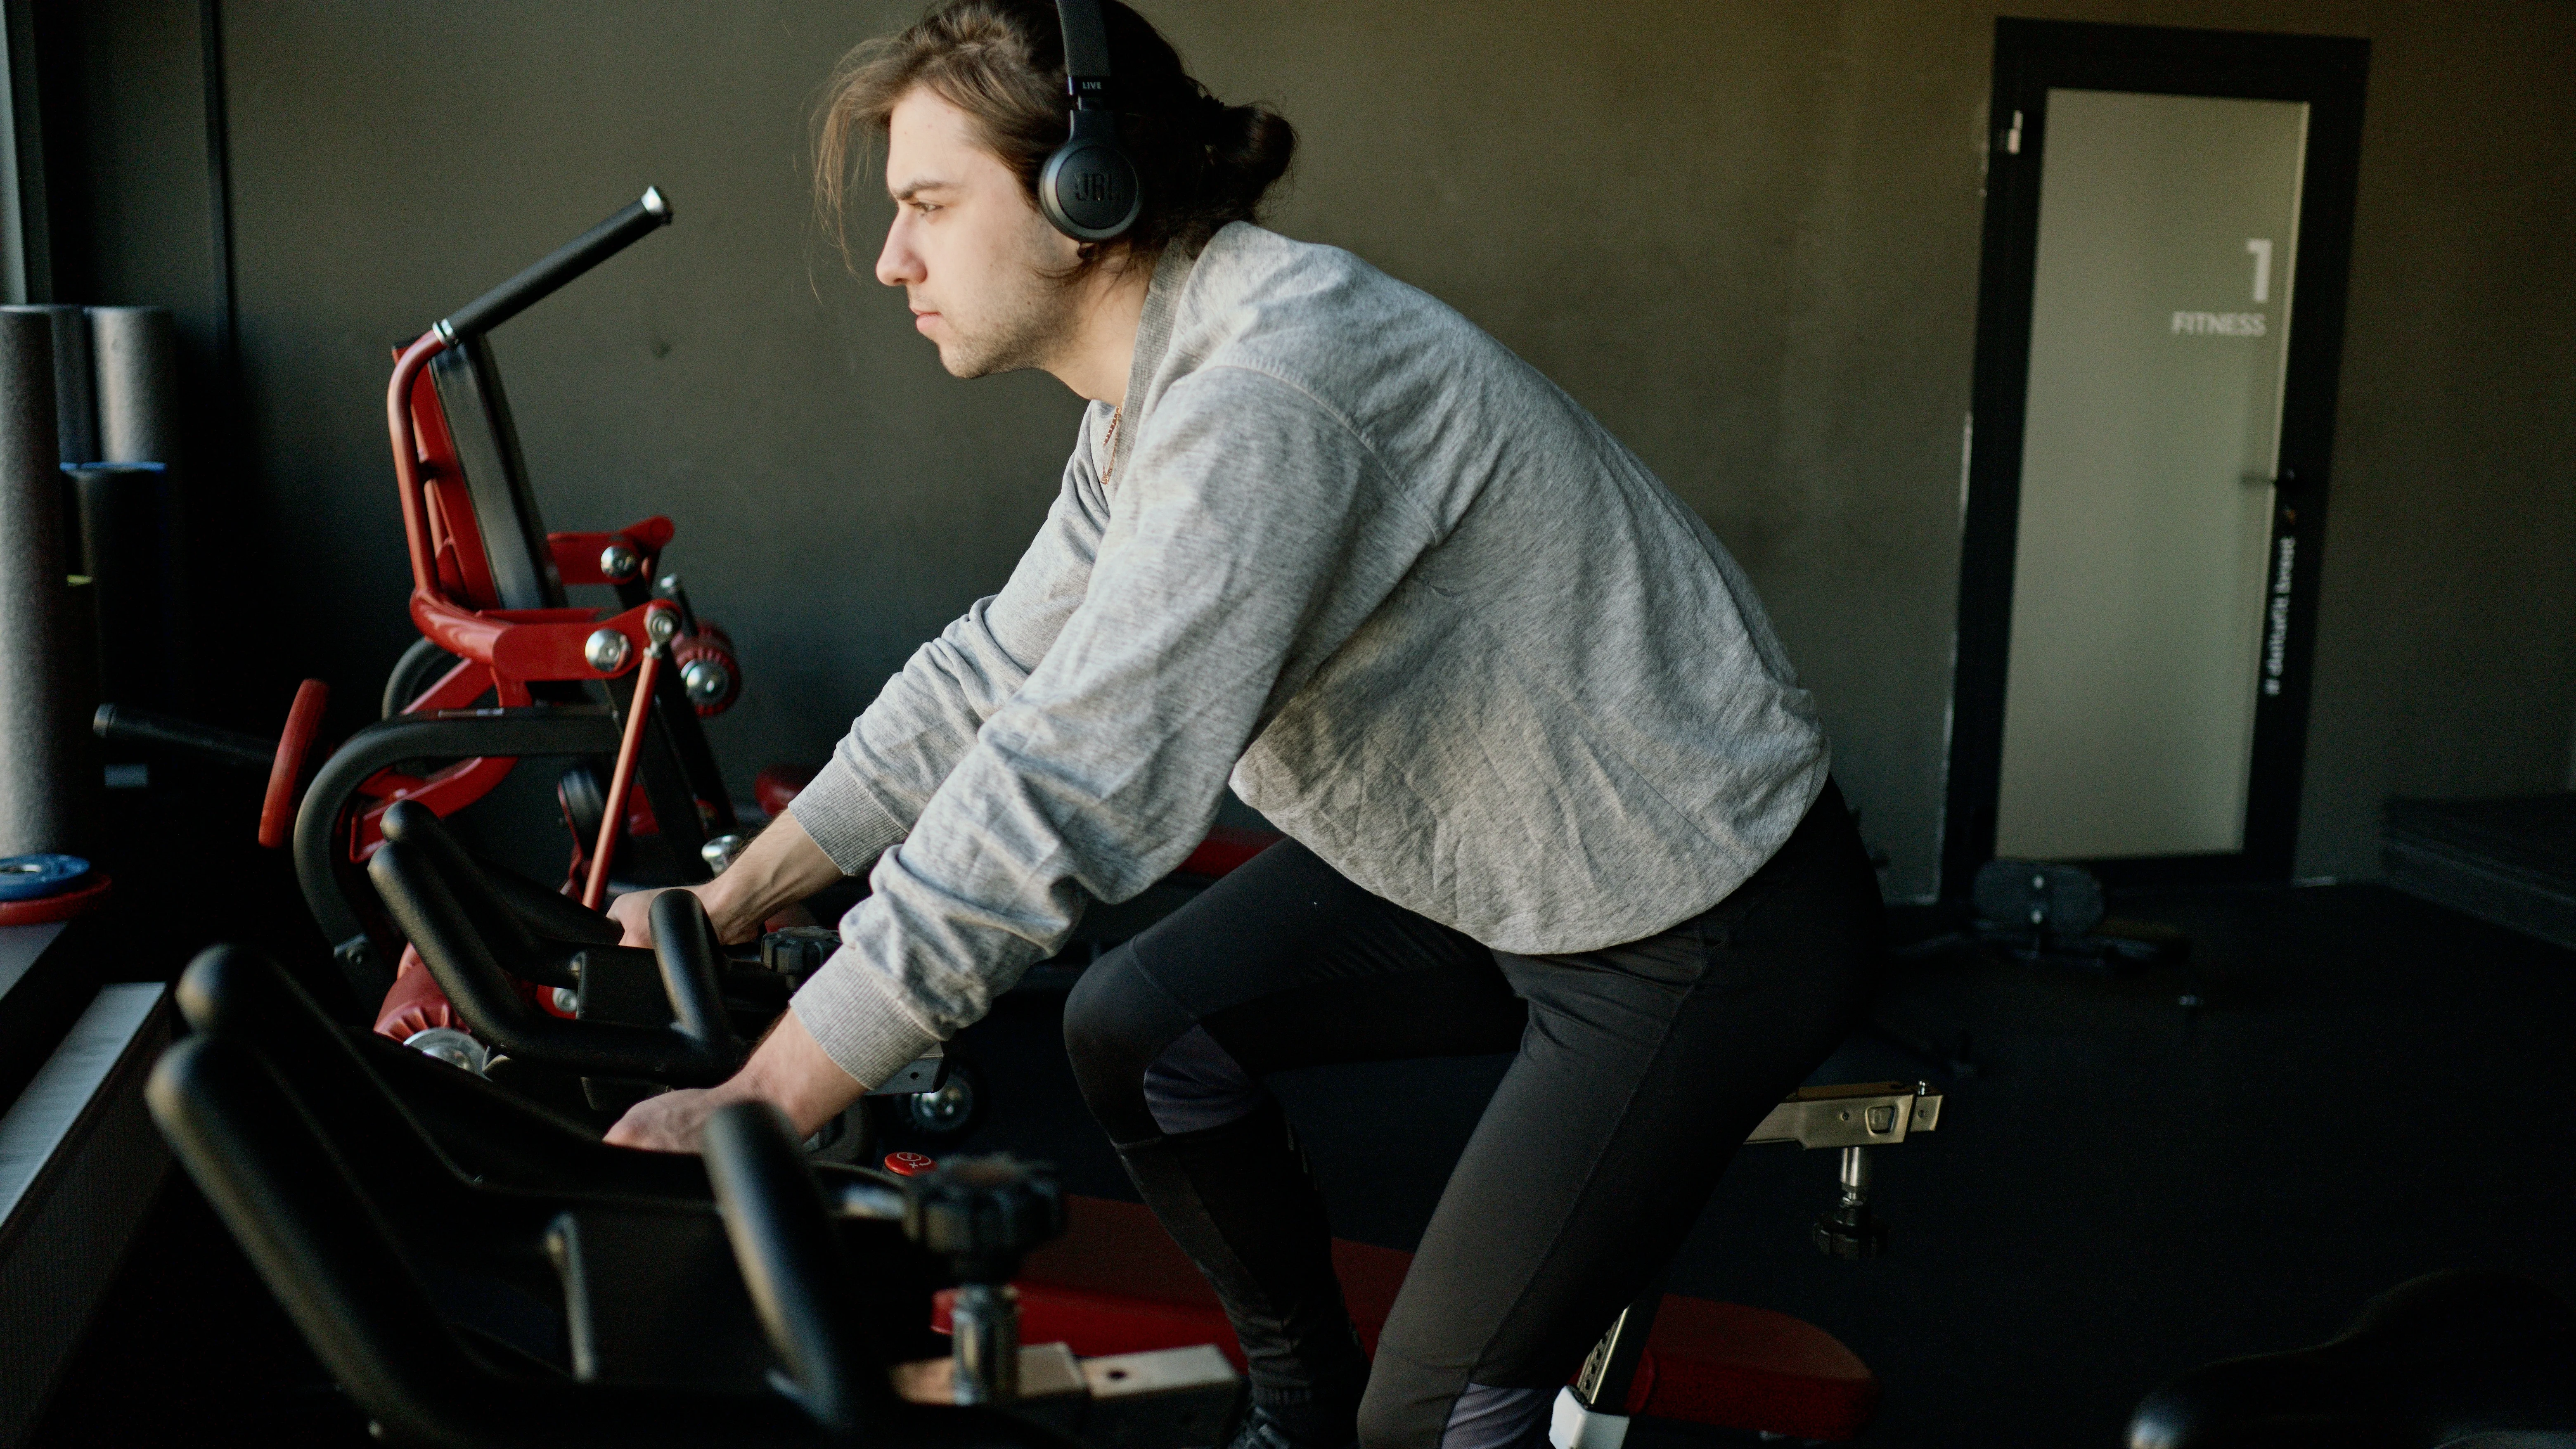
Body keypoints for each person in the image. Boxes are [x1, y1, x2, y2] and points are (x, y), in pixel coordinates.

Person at [603, 3, 1886, 1447]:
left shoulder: (1270, 389)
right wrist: (728, 901)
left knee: (1446, 1415)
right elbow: (991, 679)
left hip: (1701, 916)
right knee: (1142, 1029)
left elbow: (1072, 777)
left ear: (1087, 196)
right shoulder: (1151, 400)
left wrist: (770, 1093)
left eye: (928, 206)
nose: (895, 256)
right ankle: (1299, 1405)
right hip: (1499, 857)